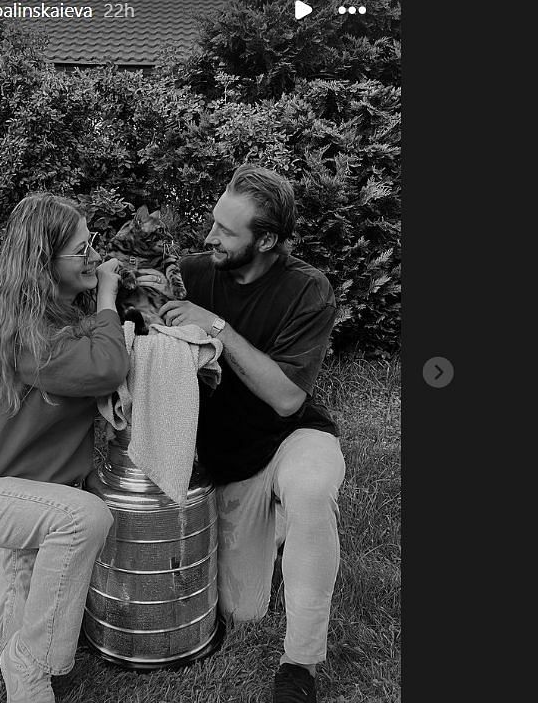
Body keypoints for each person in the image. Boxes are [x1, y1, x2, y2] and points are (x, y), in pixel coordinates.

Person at [138, 164, 346, 703]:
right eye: (213, 223)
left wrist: (215, 326)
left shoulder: (307, 290)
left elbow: (286, 398)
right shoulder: (195, 272)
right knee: (241, 611)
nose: (210, 238)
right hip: (229, 465)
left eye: (226, 232)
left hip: (290, 440)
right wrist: (139, 295)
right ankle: (279, 534)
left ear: (268, 239)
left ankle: (300, 664)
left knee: (311, 488)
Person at [0, 193, 128, 703]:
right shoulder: (31, 336)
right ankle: (27, 663)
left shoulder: (58, 317)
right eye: (82, 249)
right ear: (44, 264)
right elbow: (106, 366)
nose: (94, 256)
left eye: (93, 243)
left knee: (27, 596)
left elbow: (95, 341)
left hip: (33, 493)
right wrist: (110, 294)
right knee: (84, 519)